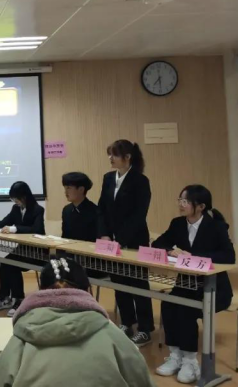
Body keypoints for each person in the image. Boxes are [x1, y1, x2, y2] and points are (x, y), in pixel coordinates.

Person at [0, 258, 155, 387]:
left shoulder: (19, 341)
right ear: (87, 290)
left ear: (41, 291)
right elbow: (142, 380)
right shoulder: (115, 338)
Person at [152, 185, 235, 384]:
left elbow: (229, 257)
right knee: (169, 303)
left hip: (214, 289)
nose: (181, 205)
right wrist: (171, 250)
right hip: (186, 284)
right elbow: (158, 243)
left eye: (186, 201)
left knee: (185, 308)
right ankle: (175, 355)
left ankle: (190, 361)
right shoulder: (178, 224)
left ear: (201, 206)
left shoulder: (216, 227)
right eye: (180, 200)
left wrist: (193, 255)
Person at [97, 139, 154, 347]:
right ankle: (127, 322)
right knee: (119, 282)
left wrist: (120, 240)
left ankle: (145, 328)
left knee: (138, 284)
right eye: (109, 154)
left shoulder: (140, 181)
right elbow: (102, 209)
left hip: (134, 240)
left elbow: (139, 215)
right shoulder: (108, 178)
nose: (110, 158)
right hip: (111, 242)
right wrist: (104, 235)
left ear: (127, 157)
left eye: (114, 154)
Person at [0, 181, 45, 317]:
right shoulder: (16, 209)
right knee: (5, 262)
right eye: (13, 199)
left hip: (37, 252)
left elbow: (37, 230)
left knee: (12, 264)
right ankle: (4, 297)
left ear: (25, 196)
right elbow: (4, 222)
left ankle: (19, 300)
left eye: (16, 198)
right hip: (22, 250)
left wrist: (15, 229)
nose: (15, 201)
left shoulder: (38, 210)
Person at [61, 172, 99, 242]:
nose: (65, 192)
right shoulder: (66, 210)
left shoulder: (96, 211)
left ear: (81, 189)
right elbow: (65, 236)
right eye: (65, 188)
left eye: (68, 188)